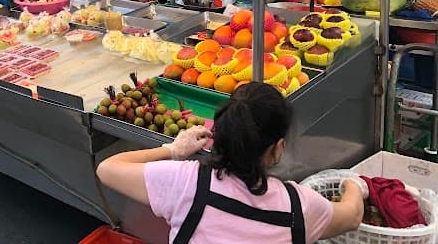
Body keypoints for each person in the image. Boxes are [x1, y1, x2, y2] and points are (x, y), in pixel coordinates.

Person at [96, 82, 365, 243]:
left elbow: (107, 169)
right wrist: (353, 184)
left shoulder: (185, 183)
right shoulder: (299, 206)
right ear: (276, 148)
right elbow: (352, 216)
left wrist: (173, 149)